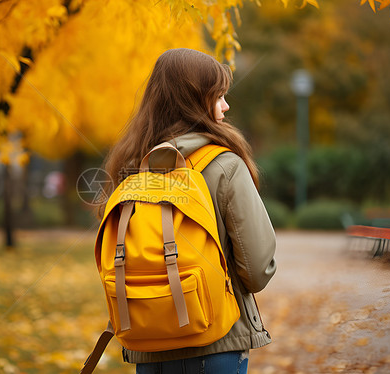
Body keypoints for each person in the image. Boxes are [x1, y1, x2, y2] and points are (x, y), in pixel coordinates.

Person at [101, 48, 277, 374]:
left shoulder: (130, 167)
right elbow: (257, 270)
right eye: (218, 96)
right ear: (194, 101)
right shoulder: (225, 165)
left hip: (147, 344)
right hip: (214, 342)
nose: (225, 106)